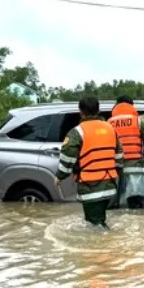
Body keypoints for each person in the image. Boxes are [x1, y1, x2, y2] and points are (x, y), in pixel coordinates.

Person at [54, 97, 122, 229]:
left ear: (81, 112)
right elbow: (119, 155)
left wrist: (59, 176)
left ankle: (105, 247)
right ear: (99, 110)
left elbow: (68, 156)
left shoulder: (77, 132)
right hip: (110, 184)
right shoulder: (111, 129)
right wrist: (116, 172)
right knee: (99, 220)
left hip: (91, 186)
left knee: (94, 225)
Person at [109, 95, 144, 209]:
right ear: (131, 105)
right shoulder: (138, 120)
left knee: (112, 205)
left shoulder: (108, 122)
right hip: (134, 167)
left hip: (114, 167)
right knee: (135, 206)